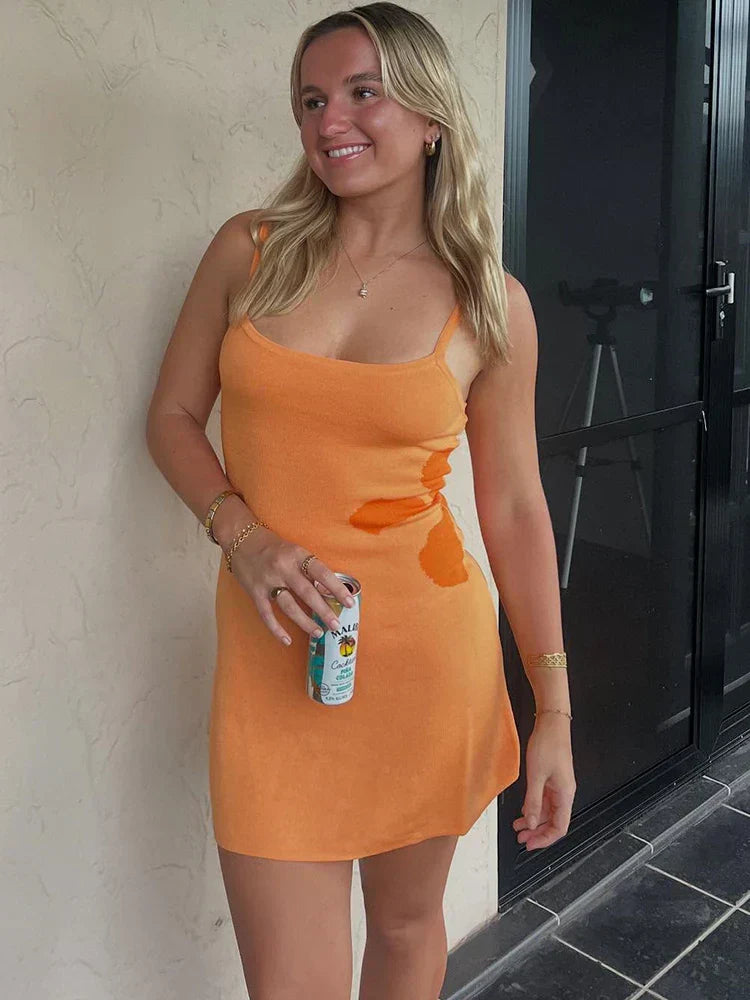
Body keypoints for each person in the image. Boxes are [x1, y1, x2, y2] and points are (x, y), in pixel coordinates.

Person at [145, 3, 576, 998]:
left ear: (430, 118)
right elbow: (170, 417)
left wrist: (552, 706)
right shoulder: (248, 251)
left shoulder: (491, 304)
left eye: (362, 91)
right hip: (270, 663)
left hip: (426, 659)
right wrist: (243, 536)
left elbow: (515, 507)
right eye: (311, 100)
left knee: (406, 927)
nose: (329, 119)